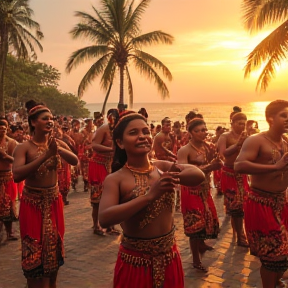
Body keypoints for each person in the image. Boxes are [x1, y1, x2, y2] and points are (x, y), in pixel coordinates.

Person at [98, 111, 205, 288]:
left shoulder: (161, 168)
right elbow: (105, 217)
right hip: (136, 262)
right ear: (120, 142)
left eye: (146, 132)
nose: (142, 137)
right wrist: (149, 196)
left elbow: (198, 175)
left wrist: (173, 174)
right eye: (133, 133)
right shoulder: (116, 179)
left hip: (169, 256)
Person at [12, 100, 78, 288]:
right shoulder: (23, 147)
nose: (50, 121)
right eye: (45, 118)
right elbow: (17, 175)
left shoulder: (55, 143)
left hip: (53, 201)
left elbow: (74, 160)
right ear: (33, 122)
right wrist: (46, 156)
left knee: (54, 247)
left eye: (52, 118)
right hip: (33, 204)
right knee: (33, 250)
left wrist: (57, 149)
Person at [234, 100, 288, 288]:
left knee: (283, 252)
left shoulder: (286, 141)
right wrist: (275, 166)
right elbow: (239, 165)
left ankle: (277, 281)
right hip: (262, 203)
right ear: (270, 118)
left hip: (282, 202)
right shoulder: (256, 140)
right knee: (272, 255)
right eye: (284, 115)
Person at [177, 118, 221, 272]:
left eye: (204, 129)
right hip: (190, 190)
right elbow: (183, 172)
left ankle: (201, 245)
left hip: (204, 189)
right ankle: (196, 260)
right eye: (199, 130)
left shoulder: (207, 147)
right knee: (194, 226)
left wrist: (217, 161)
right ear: (190, 133)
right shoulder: (184, 150)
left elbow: (212, 163)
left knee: (206, 220)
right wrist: (211, 166)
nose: (203, 132)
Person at [217, 112, 249, 247]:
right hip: (230, 173)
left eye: (244, 124)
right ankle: (240, 236)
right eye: (239, 123)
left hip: (242, 174)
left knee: (242, 206)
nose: (242, 126)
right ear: (232, 123)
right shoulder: (225, 136)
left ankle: (239, 234)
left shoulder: (246, 136)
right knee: (235, 206)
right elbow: (223, 153)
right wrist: (238, 145)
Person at [89, 108, 119, 236]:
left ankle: (110, 226)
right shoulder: (103, 129)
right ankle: (96, 226)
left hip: (111, 165)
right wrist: (110, 150)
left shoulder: (118, 130)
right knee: (97, 200)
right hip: (98, 165)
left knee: (112, 197)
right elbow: (94, 145)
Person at [0, 117, 18, 241]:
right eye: (0, 129)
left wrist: (5, 156)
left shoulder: (11, 143)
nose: (2, 131)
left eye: (4, 129)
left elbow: (17, 160)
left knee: (9, 204)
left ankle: (10, 232)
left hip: (7, 176)